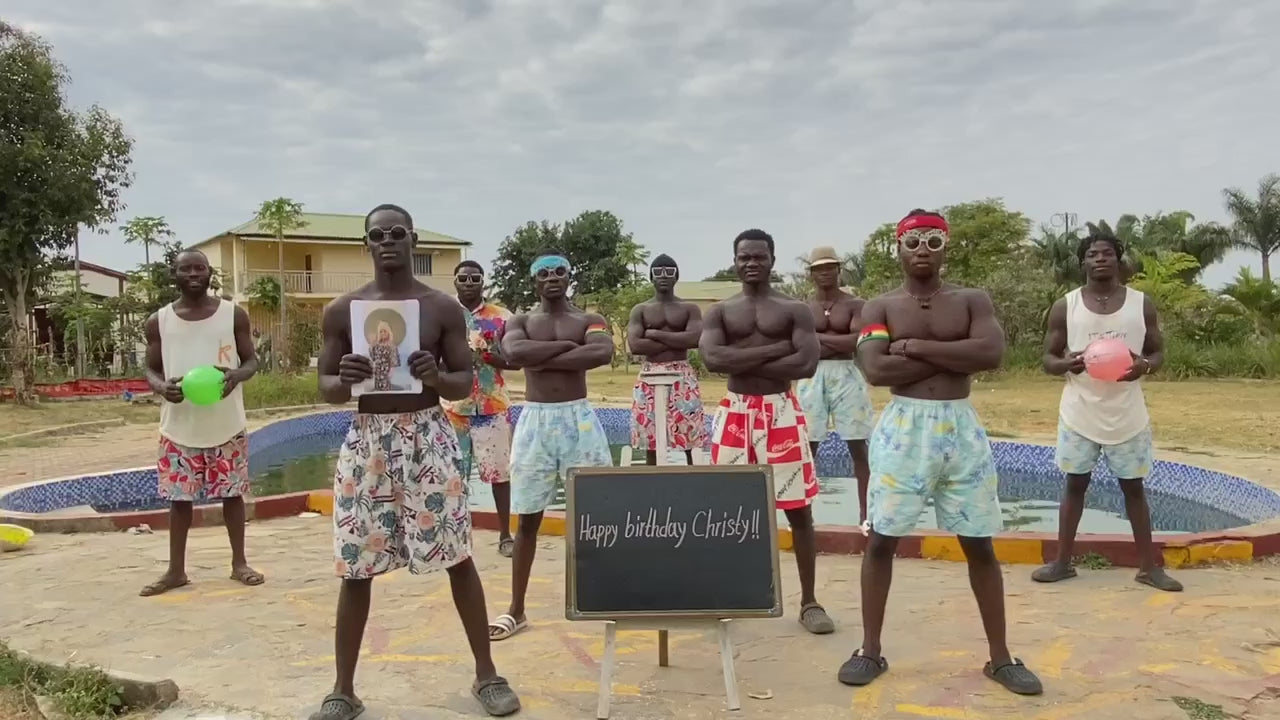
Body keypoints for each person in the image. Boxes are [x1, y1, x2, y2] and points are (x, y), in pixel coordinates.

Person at [311, 204, 520, 719]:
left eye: (397, 233)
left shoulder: (441, 308)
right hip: (368, 442)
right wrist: (344, 377)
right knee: (356, 564)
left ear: (412, 240)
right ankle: (343, 689)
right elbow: (327, 387)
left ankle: (487, 674)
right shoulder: (342, 311)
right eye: (378, 234)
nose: (387, 241)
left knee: (457, 554)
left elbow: (462, 382)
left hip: (428, 436)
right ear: (366, 243)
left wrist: (435, 376)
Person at [836, 210, 1042, 696]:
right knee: (882, 538)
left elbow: (990, 354)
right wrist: (953, 354)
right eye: (913, 241)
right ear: (898, 248)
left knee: (979, 542)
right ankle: (869, 649)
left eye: (933, 240)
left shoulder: (972, 300)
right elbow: (876, 371)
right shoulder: (879, 306)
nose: (923, 250)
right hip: (903, 429)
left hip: (960, 428)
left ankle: (1001, 657)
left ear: (946, 246)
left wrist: (912, 346)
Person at [700, 229, 834, 635]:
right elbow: (712, 359)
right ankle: (728, 593)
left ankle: (809, 602)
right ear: (735, 261)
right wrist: (777, 350)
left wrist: (740, 358)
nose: (752, 263)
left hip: (781, 411)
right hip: (736, 413)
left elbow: (806, 363)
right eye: (744, 257)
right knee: (727, 510)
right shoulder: (721, 312)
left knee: (799, 509)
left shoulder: (794, 310)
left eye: (759, 256)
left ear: (772, 260)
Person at [1031, 231, 1181, 592]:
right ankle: (1062, 563)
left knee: (1134, 489)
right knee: (1074, 485)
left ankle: (1148, 568)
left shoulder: (1141, 304)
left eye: (1107, 253)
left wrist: (1144, 365)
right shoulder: (1066, 306)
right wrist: (1065, 363)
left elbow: (1157, 352)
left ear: (1118, 259)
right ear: (1083, 262)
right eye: (1092, 254)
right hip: (1079, 412)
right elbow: (1048, 358)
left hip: (1127, 413)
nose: (1100, 258)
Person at [492, 249, 614, 642]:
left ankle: (605, 596)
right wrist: (570, 350)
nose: (552, 278)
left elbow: (602, 351)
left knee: (597, 511)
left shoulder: (589, 319)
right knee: (528, 517)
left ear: (569, 276)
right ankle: (516, 609)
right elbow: (514, 352)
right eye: (544, 273)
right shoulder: (520, 321)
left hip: (579, 419)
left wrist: (541, 355)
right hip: (536, 422)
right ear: (534, 280)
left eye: (559, 271)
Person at [141, 249, 261, 598]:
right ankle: (175, 571)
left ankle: (239, 564)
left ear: (210, 274)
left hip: (227, 424)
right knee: (179, 501)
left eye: (200, 268)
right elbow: (150, 368)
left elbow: (251, 361)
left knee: (232, 496)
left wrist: (236, 375)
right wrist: (161, 387)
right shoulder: (159, 321)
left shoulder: (232, 314)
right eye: (186, 269)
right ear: (174, 275)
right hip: (179, 427)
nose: (193, 274)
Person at [445, 259, 521, 559]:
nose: (468, 283)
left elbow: (515, 361)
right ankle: (455, 535)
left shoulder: (502, 317)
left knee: (500, 474)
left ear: (483, 281)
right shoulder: (443, 314)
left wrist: (487, 356)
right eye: (463, 278)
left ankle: (505, 534)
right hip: (453, 407)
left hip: (492, 406)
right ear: (455, 281)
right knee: (454, 475)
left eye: (474, 278)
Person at [795, 246, 874, 525]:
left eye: (830, 267)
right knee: (807, 446)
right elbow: (800, 343)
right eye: (819, 269)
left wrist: (817, 340)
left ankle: (866, 516)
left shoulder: (856, 305)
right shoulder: (804, 308)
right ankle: (804, 517)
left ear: (839, 270)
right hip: (811, 375)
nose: (825, 273)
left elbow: (857, 341)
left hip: (847, 374)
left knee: (858, 445)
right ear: (811, 274)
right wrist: (835, 341)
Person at [626, 253, 707, 465]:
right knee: (650, 434)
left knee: (689, 431)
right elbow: (635, 345)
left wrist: (655, 334)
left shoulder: (689, 308)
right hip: (649, 373)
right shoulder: (640, 309)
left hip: (682, 374)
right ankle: (652, 477)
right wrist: (678, 339)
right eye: (658, 271)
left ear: (676, 276)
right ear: (651, 276)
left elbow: (695, 339)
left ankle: (693, 475)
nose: (663, 275)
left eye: (669, 272)